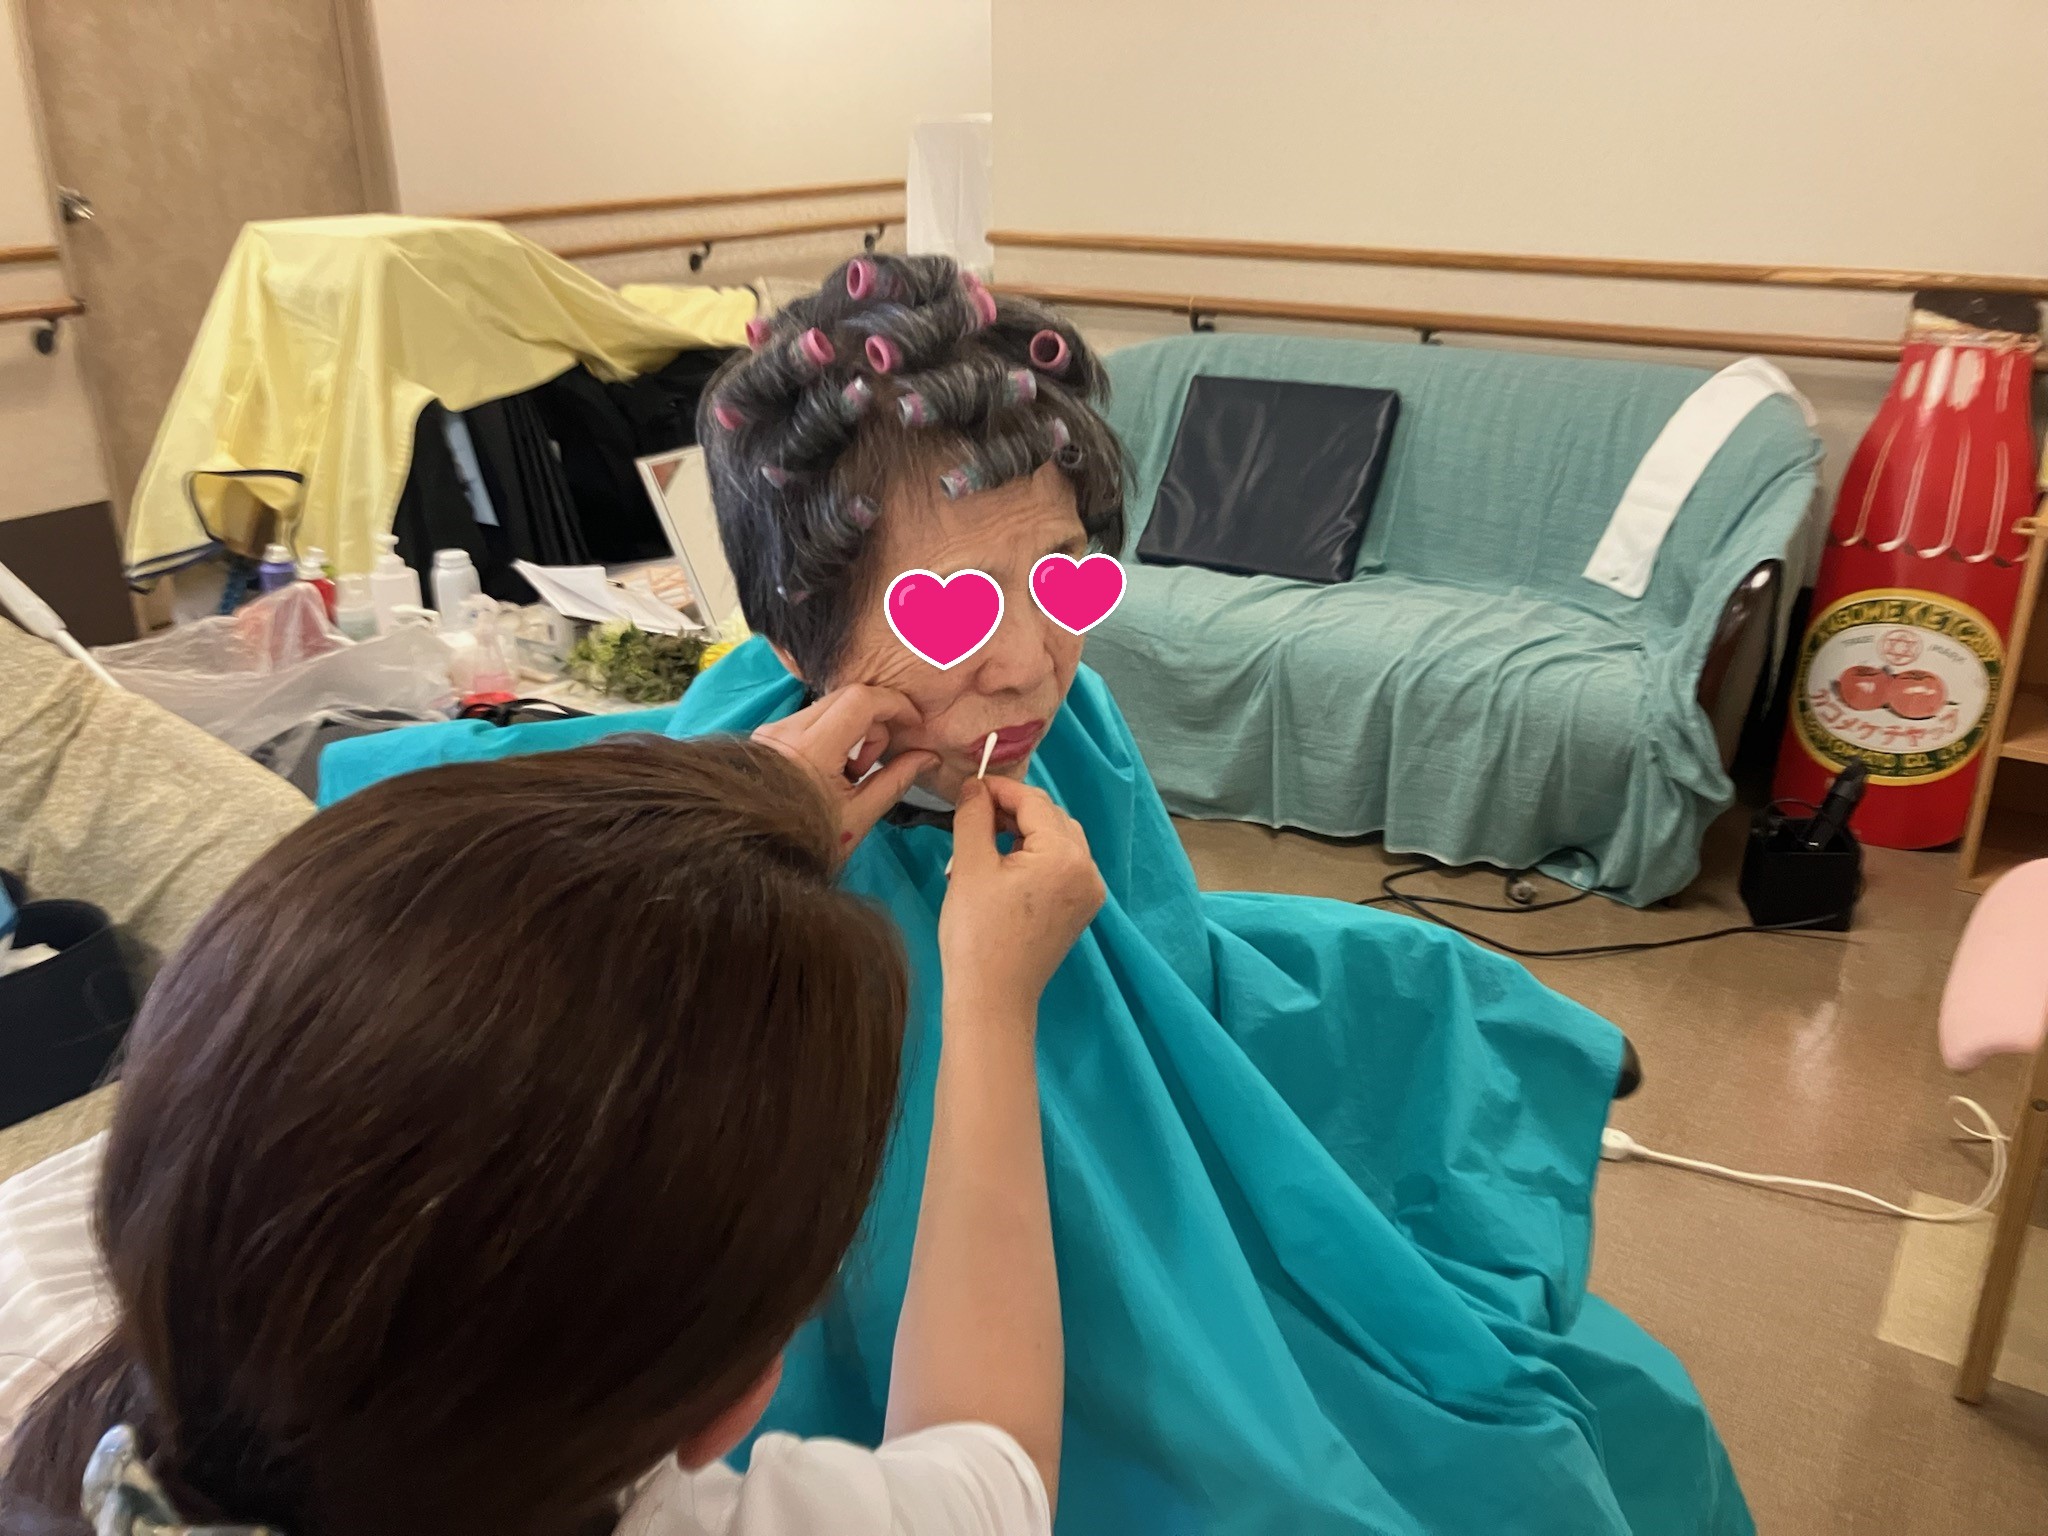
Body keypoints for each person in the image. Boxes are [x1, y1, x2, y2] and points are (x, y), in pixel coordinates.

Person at [309, 254, 1753, 1535]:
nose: (1026, 664)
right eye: (951, 606)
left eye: (1063, 581)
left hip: (1164, 1202)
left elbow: (1162, 974)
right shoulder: (734, 832)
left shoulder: (1077, 732)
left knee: (1611, 1411)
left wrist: (1447, 993)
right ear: (800, 633)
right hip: (961, 1349)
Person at [0, 734, 1105, 1536]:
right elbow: (993, 1473)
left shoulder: (37, 1288)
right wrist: (990, 1002)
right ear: (732, 1404)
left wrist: (697, 828)